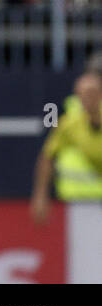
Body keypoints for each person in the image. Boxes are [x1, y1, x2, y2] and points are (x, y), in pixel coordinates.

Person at [31, 71, 102, 223]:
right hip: (84, 202)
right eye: (81, 94)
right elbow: (48, 156)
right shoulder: (70, 124)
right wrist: (41, 196)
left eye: (91, 93)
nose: (86, 99)